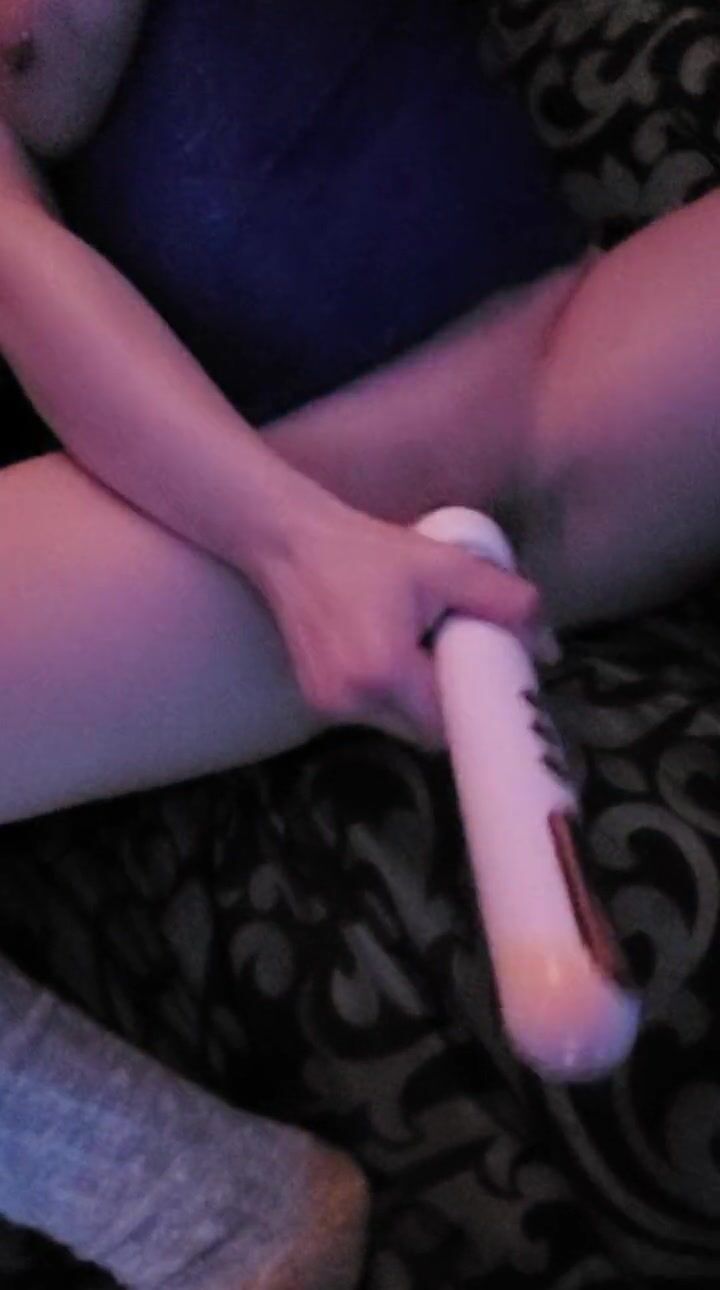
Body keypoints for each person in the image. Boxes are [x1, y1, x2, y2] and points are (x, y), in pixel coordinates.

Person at [2, 0, 720, 1286]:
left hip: (577, 368)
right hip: (243, 506)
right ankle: (210, 1212)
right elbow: (15, 260)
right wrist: (294, 544)